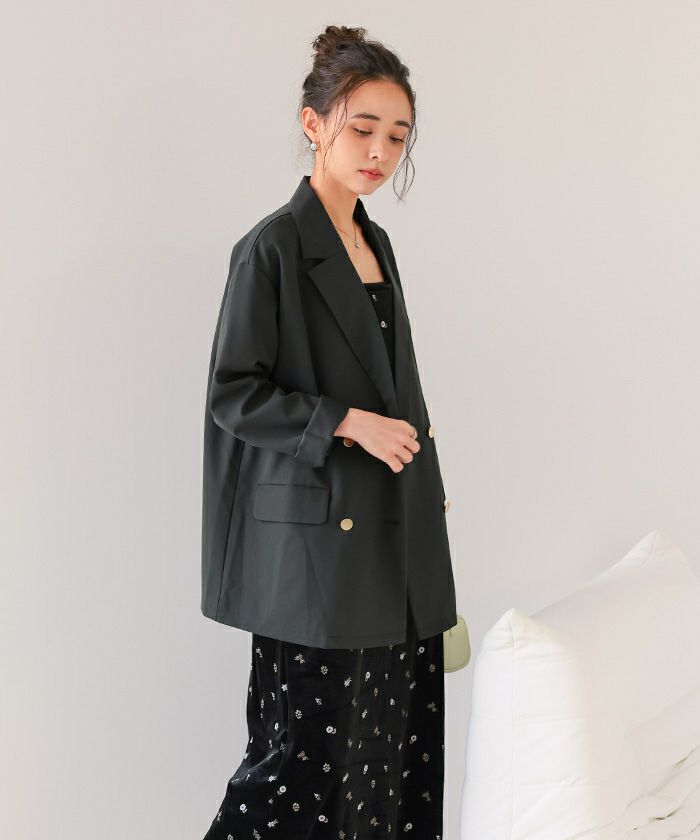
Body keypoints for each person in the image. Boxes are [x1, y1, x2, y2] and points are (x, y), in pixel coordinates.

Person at [201, 24, 457, 839]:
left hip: (395, 533)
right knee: (298, 770)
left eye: (398, 136)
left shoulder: (375, 243)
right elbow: (234, 393)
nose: (380, 151)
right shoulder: (272, 248)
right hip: (317, 553)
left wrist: (426, 483)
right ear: (313, 125)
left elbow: (397, 388)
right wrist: (346, 424)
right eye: (362, 128)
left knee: (391, 759)